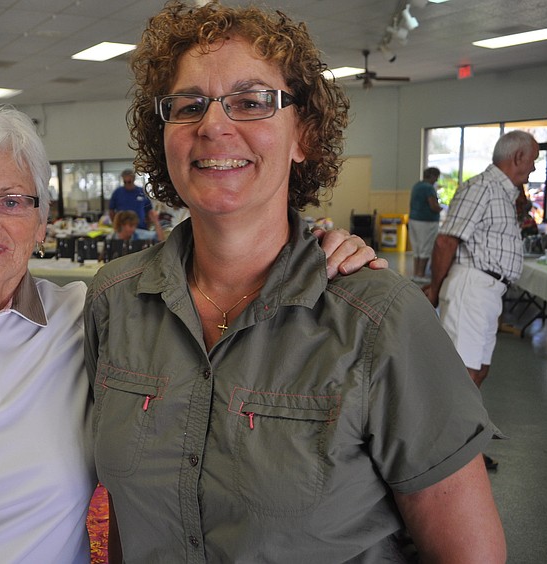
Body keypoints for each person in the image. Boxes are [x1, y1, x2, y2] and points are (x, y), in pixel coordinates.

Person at [0, 104, 380, 563]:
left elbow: (216, 274)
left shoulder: (91, 315)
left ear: (42, 221)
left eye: (12, 201)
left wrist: (314, 248)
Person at [83, 2, 505, 562]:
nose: (213, 125)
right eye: (188, 105)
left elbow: (470, 554)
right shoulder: (114, 302)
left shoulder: (379, 319)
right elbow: (125, 517)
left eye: (251, 102)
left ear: (303, 134)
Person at [424, 130, 539, 468]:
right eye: (533, 160)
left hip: (488, 292)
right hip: (472, 288)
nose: (534, 168)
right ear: (518, 157)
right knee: (464, 375)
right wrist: (435, 290)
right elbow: (446, 241)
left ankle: (462, 448)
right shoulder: (483, 187)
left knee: (478, 371)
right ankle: (444, 456)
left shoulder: (504, 193)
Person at [108, 169, 165, 241]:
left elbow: (149, 211)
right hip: (122, 230)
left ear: (133, 179)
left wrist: (153, 222)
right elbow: (111, 211)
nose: (127, 184)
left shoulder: (141, 192)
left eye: (129, 182)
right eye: (125, 182)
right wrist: (116, 225)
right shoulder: (117, 193)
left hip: (141, 227)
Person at [408, 166, 442, 280]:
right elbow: (433, 206)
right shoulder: (429, 188)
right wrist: (441, 208)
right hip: (426, 222)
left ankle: (416, 273)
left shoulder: (417, 185)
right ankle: (421, 274)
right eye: (436, 177)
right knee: (425, 248)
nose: (436, 180)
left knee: (417, 249)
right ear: (432, 176)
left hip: (414, 220)